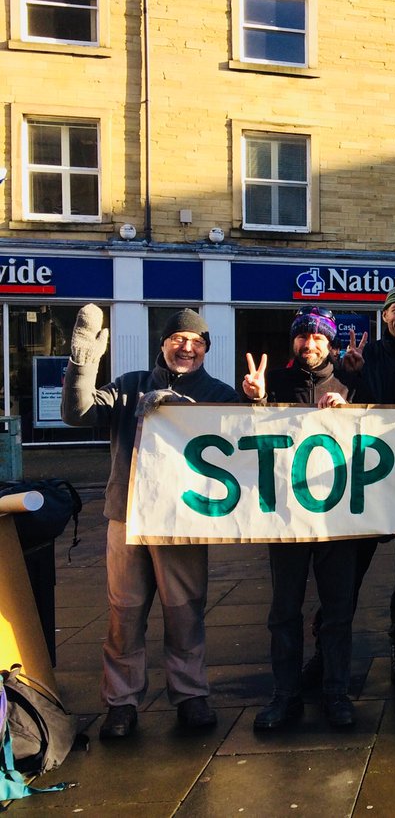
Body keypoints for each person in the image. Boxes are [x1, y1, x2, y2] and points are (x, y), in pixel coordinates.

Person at [62, 306, 238, 739]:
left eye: (197, 342)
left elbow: (245, 442)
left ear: (206, 350)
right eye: (179, 338)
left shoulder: (218, 392)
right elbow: (76, 413)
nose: (187, 347)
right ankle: (121, 703)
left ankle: (191, 694)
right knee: (125, 613)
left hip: (183, 522)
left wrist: (253, 400)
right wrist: (83, 363)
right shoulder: (130, 386)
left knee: (185, 613)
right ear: (162, 343)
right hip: (127, 516)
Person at [242, 307, 360, 729]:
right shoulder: (272, 383)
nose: (309, 343)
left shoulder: (350, 381)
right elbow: (245, 440)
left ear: (329, 342)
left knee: (338, 612)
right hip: (286, 519)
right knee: (284, 612)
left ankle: (336, 693)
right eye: (302, 336)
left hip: (338, 521)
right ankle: (285, 695)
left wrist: (350, 407)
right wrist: (255, 401)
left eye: (317, 337)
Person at [317, 283, 395, 688]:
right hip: (364, 480)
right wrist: (348, 375)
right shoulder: (364, 356)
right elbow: (340, 403)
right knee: (345, 575)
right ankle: (322, 652)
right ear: (385, 315)